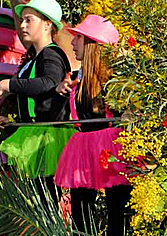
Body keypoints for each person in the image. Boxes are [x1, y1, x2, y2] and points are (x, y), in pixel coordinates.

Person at [0, 0, 75, 203]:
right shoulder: (36, 56)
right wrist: (16, 121)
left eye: (29, 20)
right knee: (37, 201)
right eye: (22, 20)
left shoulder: (51, 55)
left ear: (47, 25)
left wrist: (6, 84)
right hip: (35, 131)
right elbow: (35, 99)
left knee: (45, 201)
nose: (23, 25)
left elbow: (48, 83)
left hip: (47, 138)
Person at [53, 15, 132, 236]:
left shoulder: (114, 82)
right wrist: (61, 93)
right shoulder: (76, 82)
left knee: (118, 210)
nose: (72, 42)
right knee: (80, 213)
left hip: (111, 148)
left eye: (78, 37)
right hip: (83, 147)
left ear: (92, 44)